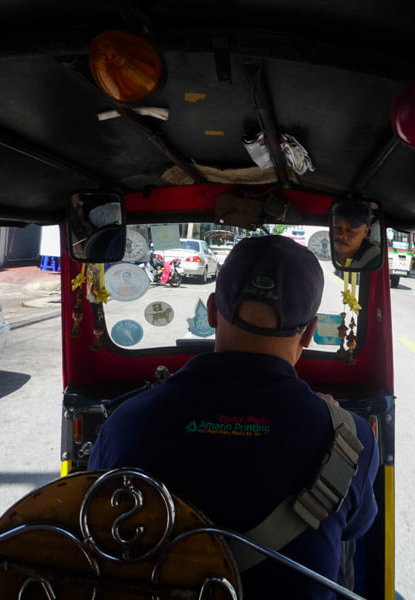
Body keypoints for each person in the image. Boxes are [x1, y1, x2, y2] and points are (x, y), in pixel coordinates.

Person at [88, 235, 379, 598]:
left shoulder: (126, 423)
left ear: (211, 311)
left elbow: (94, 524)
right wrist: (330, 418)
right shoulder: (350, 441)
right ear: (307, 333)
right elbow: (355, 528)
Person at [331, 202, 381, 269]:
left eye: (350, 231)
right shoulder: (325, 250)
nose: (341, 235)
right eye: (336, 227)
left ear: (366, 232)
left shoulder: (374, 257)